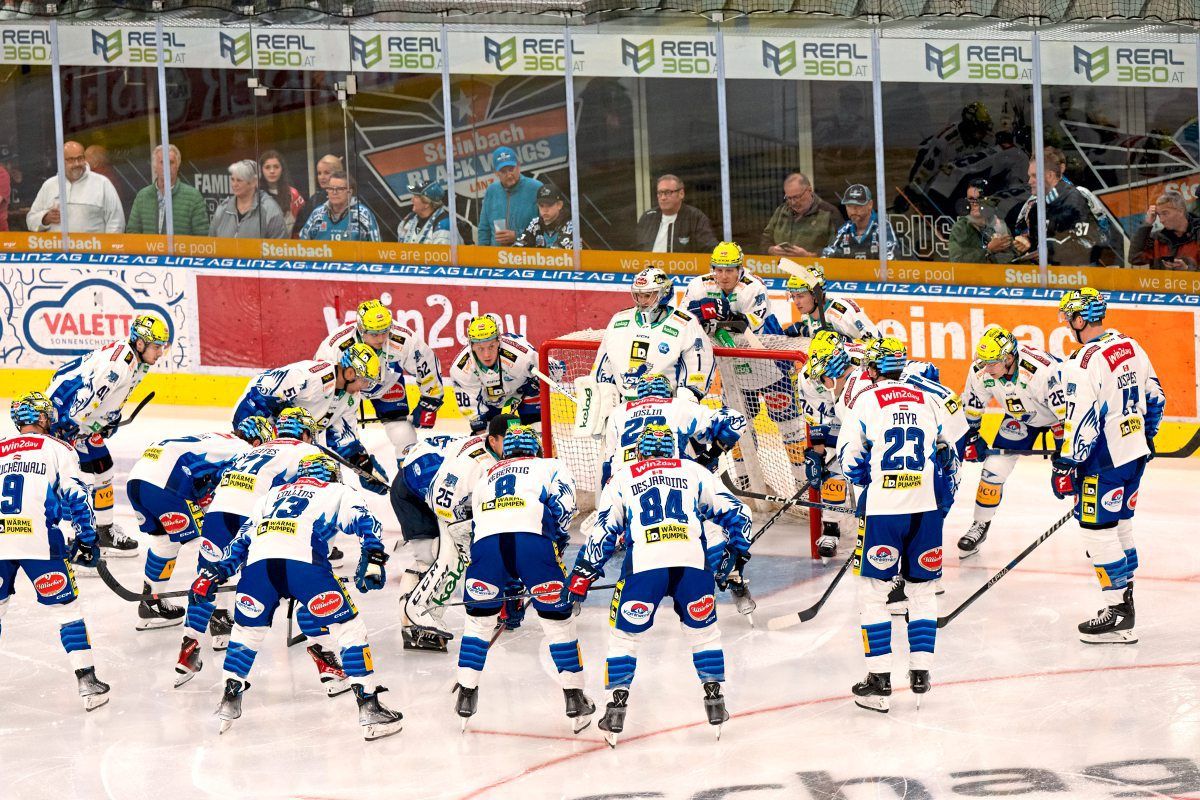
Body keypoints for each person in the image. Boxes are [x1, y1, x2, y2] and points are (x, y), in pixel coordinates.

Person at [190, 453, 403, 740]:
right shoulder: (336, 490)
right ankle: (369, 706)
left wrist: (215, 573)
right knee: (348, 628)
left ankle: (229, 699)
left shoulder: (273, 494)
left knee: (245, 633)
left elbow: (241, 540)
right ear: (330, 475)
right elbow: (365, 522)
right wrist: (375, 557)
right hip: (305, 568)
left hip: (259, 569)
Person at [567, 423, 752, 746]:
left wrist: (581, 577)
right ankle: (715, 701)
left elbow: (603, 533)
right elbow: (739, 513)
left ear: (639, 452)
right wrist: (737, 553)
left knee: (624, 637)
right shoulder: (693, 471)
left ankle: (616, 709)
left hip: (644, 568)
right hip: (692, 565)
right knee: (704, 634)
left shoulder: (624, 477)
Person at [173, 408, 347, 687]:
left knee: (207, 578)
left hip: (219, 513)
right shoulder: (307, 453)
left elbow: (214, 479)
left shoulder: (254, 450)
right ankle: (326, 662)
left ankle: (188, 648)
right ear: (304, 433)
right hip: (256, 516)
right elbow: (326, 499)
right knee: (300, 579)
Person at [837, 337, 957, 712]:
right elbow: (949, 452)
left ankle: (880, 679)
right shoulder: (928, 399)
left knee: (874, 593)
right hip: (927, 509)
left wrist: (871, 486)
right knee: (923, 591)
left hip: (885, 510)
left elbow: (849, 458)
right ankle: (921, 673)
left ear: (872, 370)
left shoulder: (865, 401)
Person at [453, 426, 595, 733]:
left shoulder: (486, 474)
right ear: (535, 449)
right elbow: (563, 511)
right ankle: (574, 698)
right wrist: (548, 555)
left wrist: (511, 586)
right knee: (558, 623)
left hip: (486, 549)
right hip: (533, 544)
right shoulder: (550, 466)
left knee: (478, 624)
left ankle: (466, 695)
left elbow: (479, 523)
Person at [1053, 288, 1164, 644]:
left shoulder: (1082, 362)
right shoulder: (1131, 345)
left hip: (1104, 462)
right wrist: (1146, 436)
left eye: (1070, 318)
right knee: (1121, 527)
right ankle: (1125, 599)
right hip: (1134, 454)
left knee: (1096, 533)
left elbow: (1081, 420)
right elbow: (1155, 396)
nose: (1069, 325)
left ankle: (1117, 610)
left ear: (1080, 319)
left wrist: (1067, 465)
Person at [0, 391, 110, 712]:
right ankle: (88, 684)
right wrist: (88, 538)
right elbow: (77, 496)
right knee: (66, 610)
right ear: (44, 419)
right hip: (39, 541)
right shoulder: (59, 448)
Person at [125, 416, 274, 630]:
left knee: (165, 542)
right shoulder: (246, 451)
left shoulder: (219, 439)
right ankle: (219, 616)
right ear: (258, 442)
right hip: (167, 484)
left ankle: (151, 603)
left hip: (138, 479)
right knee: (216, 546)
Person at [46, 314, 172, 558]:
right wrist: (69, 427)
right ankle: (74, 540)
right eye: (157, 347)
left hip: (82, 419)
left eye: (162, 347)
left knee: (103, 467)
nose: (160, 353)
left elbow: (111, 397)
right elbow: (86, 398)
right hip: (65, 415)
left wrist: (108, 419)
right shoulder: (118, 366)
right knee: (76, 479)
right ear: (140, 343)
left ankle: (103, 531)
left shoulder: (138, 361)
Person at [392, 416, 513, 652]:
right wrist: (467, 537)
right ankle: (414, 621)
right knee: (434, 555)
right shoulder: (475, 466)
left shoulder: (493, 456)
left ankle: (416, 621)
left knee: (448, 553)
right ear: (492, 440)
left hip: (435, 480)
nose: (516, 445)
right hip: (413, 491)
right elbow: (445, 506)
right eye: (509, 440)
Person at [958, 326, 1065, 557]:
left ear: (1008, 358)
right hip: (1020, 418)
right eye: (984, 362)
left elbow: (1068, 415)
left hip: (1059, 419)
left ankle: (1093, 527)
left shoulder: (1042, 371)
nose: (987, 368)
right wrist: (972, 435)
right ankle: (980, 524)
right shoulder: (982, 369)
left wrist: (1065, 454)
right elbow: (973, 403)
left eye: (993, 363)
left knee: (1075, 473)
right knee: (992, 471)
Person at [232, 343, 388, 486]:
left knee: (320, 473)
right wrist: (251, 435)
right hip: (260, 424)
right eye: (366, 381)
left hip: (297, 437)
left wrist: (364, 465)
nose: (367, 387)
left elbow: (344, 439)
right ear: (349, 373)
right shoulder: (311, 376)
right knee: (258, 474)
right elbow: (261, 391)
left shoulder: (352, 399)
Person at [314, 299, 444, 463]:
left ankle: (409, 474)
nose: (381, 338)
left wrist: (430, 400)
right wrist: (326, 412)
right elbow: (321, 380)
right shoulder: (336, 346)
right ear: (361, 329)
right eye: (374, 334)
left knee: (402, 431)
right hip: (348, 390)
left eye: (385, 331)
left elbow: (426, 363)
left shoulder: (403, 338)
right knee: (342, 439)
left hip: (386, 382)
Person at [591, 266, 714, 402]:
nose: (642, 301)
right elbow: (603, 366)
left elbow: (699, 363)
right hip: (624, 408)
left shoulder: (685, 322)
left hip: (668, 407)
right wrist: (600, 394)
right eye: (639, 295)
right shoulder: (619, 320)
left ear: (664, 293)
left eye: (648, 295)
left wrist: (690, 396)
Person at [449, 315, 557, 434]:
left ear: (498, 341)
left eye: (491, 346)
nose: (486, 355)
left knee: (538, 432)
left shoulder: (521, 355)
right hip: (489, 401)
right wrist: (483, 435)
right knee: (488, 439)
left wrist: (539, 381)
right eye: (480, 348)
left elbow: (557, 369)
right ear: (471, 345)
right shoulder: (461, 369)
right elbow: (473, 412)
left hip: (523, 392)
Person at [1012, 148, 1109, 266]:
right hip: (1048, 276)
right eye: (1030, 176)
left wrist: (1055, 251)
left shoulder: (1081, 196)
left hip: (1081, 275)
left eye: (1035, 175)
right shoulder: (1032, 205)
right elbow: (1028, 239)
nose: (1029, 181)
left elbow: (1102, 238)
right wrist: (1026, 242)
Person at [27, 140, 124, 233]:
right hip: (57, 249)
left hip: (93, 249)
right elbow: (30, 220)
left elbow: (116, 222)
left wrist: (108, 247)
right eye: (71, 160)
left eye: (80, 158)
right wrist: (45, 218)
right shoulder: (49, 185)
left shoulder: (102, 183)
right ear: (61, 161)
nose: (77, 164)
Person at [781, 261, 878, 341]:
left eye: (800, 296)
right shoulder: (806, 316)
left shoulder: (841, 312)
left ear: (816, 294)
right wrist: (804, 332)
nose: (796, 302)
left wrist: (842, 342)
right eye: (793, 296)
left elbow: (875, 342)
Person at [125, 145, 210, 236]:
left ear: (177, 166)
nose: (167, 167)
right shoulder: (142, 196)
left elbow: (202, 236)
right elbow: (132, 233)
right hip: (149, 250)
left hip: (181, 250)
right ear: (155, 167)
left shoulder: (193, 197)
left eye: (171, 162)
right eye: (162, 162)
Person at [759, 172, 844, 257]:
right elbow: (765, 240)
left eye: (796, 197)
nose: (793, 202)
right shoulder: (781, 211)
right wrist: (771, 250)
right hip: (781, 268)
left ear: (809, 190)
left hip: (815, 268)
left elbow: (839, 250)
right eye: (789, 198)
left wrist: (809, 255)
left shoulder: (829, 213)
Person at [635, 174, 717, 254]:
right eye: (660, 193)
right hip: (649, 267)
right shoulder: (648, 218)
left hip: (683, 266)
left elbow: (710, 250)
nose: (663, 198)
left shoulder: (695, 218)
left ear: (681, 193)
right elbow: (634, 250)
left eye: (668, 192)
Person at [477, 146, 541, 247]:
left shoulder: (536, 188)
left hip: (527, 256)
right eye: (503, 171)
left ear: (518, 166)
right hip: (497, 257)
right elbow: (484, 229)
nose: (509, 174)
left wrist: (517, 235)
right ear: (496, 173)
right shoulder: (491, 191)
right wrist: (483, 256)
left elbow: (546, 226)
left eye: (511, 169)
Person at [209, 160, 287, 239]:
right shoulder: (223, 209)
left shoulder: (270, 209)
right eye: (232, 179)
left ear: (253, 182)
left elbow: (279, 247)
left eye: (239, 180)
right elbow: (211, 244)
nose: (234, 184)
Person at [299, 171, 381, 242]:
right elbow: (302, 244)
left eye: (340, 189)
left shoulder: (363, 214)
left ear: (350, 191)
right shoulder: (317, 214)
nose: (334, 192)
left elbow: (376, 247)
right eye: (331, 188)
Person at [1129, 189, 1200, 270]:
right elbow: (1134, 258)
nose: (1161, 220)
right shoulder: (1157, 238)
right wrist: (1147, 224)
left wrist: (1187, 269)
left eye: (1165, 213)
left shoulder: (1197, 234)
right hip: (1162, 282)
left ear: (1181, 211)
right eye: (1159, 215)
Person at [946, 180, 1014, 264]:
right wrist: (988, 250)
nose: (974, 203)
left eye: (980, 199)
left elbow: (1010, 257)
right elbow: (956, 261)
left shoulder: (999, 225)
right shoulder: (960, 228)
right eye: (971, 199)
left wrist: (1018, 248)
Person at [822, 184, 896, 260]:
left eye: (858, 206)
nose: (853, 210)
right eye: (849, 206)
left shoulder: (882, 227)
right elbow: (826, 256)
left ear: (870, 205)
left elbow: (892, 259)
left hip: (876, 271)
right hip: (848, 272)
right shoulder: (845, 229)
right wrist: (810, 265)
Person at [292, 154, 343, 237]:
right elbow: (298, 231)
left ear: (339, 174)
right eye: (319, 173)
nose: (321, 177)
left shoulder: (349, 198)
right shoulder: (314, 200)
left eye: (326, 173)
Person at [515, 184, 575, 248]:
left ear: (559, 205)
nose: (545, 210)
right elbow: (519, 245)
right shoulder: (536, 223)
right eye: (541, 205)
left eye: (549, 205)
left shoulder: (571, 225)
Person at [258, 150, 305, 232]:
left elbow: (301, 227)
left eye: (276, 167)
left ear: (282, 169)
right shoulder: (254, 195)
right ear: (261, 170)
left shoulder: (293, 195)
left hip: (285, 244)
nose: (272, 171)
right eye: (267, 167)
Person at [396, 179, 451, 245]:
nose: (412, 200)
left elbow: (442, 254)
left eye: (416, 197)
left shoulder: (444, 225)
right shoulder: (409, 219)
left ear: (426, 203)